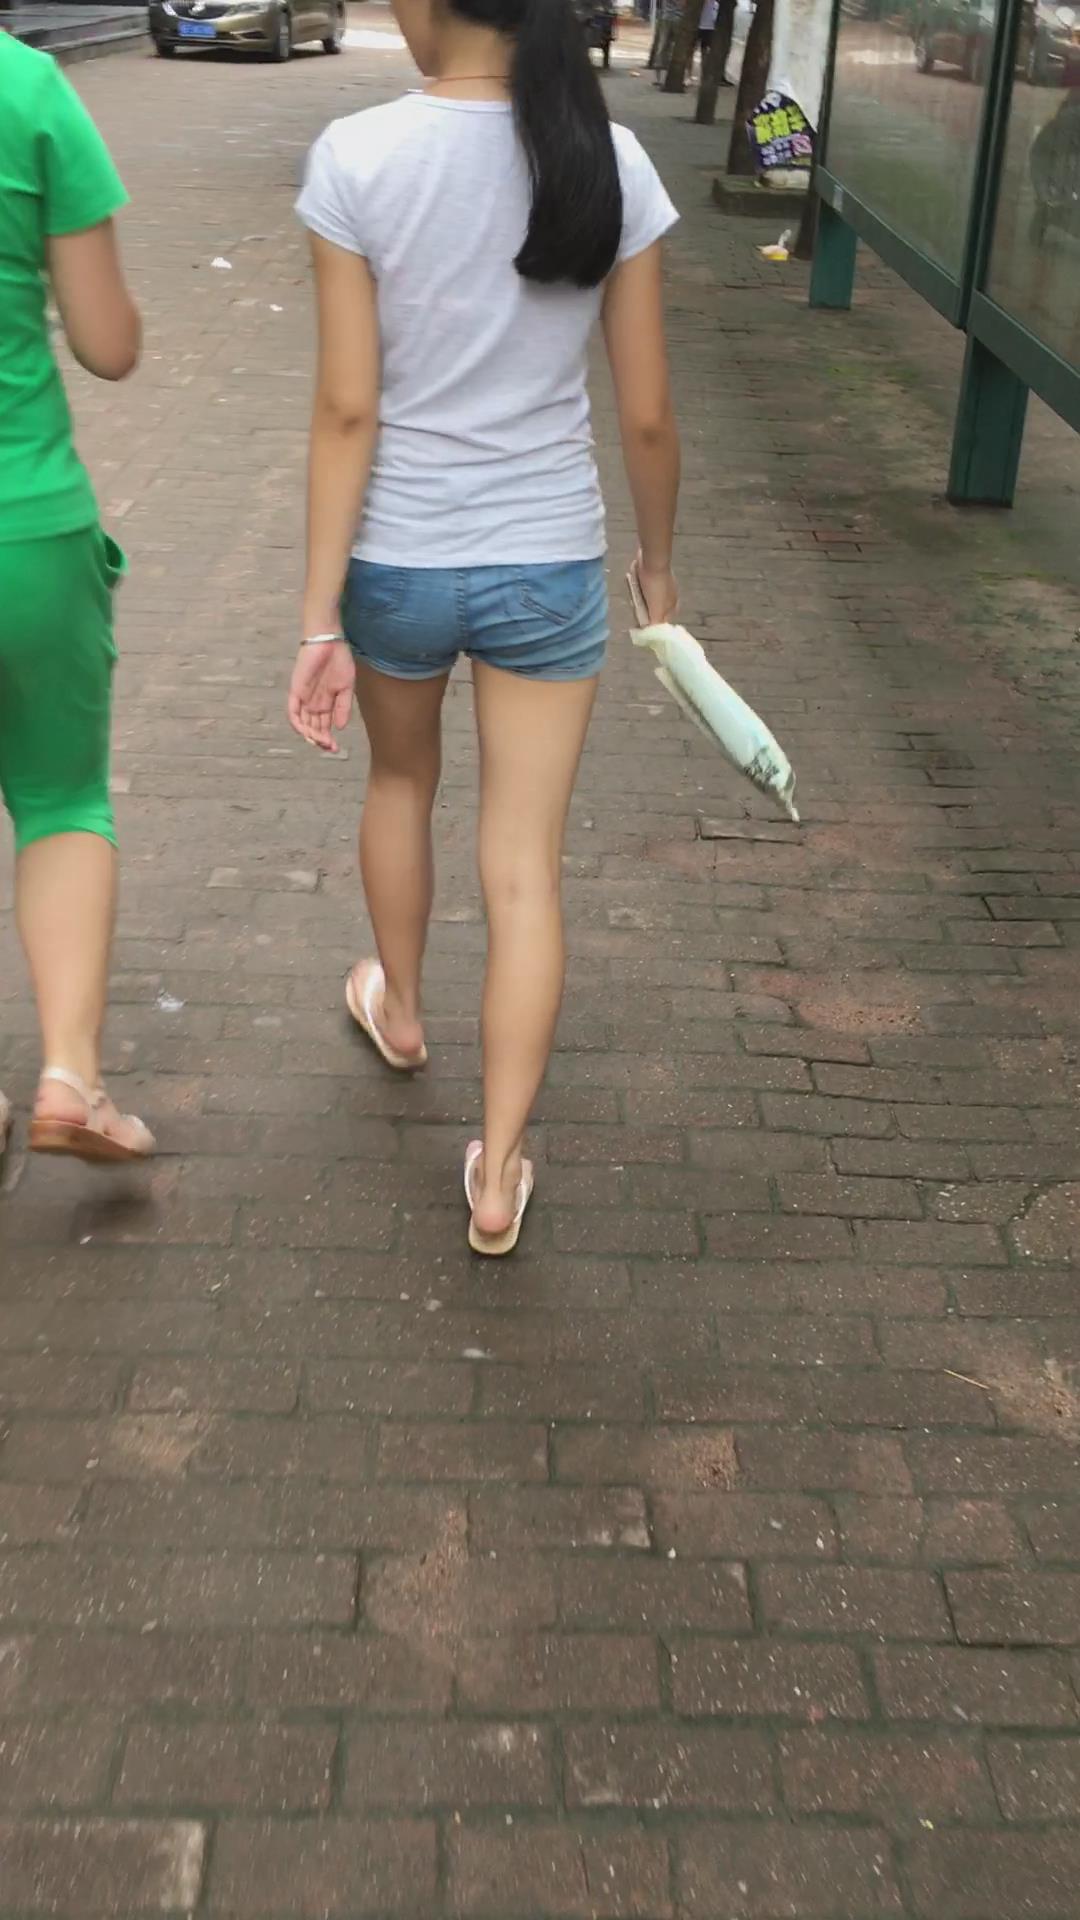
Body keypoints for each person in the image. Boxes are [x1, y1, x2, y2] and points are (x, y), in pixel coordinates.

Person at [289, 0, 681, 1253]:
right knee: (524, 869)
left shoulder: (356, 157)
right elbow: (648, 414)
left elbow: (347, 409)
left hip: (398, 557)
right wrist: (658, 565)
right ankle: (499, 1173)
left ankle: (401, 1012)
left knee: (400, 782)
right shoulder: (608, 158)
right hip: (548, 559)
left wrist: (317, 616)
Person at [0, 35, 153, 1165]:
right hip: (27, 524)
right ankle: (69, 1079)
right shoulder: (29, 88)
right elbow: (107, 345)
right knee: (61, 799)